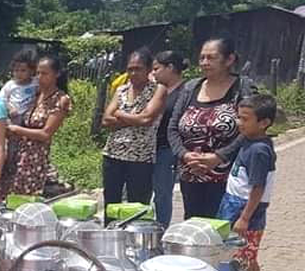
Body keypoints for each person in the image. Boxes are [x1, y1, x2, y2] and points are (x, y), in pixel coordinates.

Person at [168, 37, 258, 220]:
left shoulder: (243, 88)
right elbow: (173, 127)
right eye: (202, 58)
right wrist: (184, 155)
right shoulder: (191, 88)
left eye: (211, 58)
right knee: (194, 226)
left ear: (229, 59)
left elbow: (251, 129)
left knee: (223, 227)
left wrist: (219, 157)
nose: (204, 62)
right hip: (191, 173)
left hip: (229, 176)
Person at [217, 94, 277, 271]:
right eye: (239, 117)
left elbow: (258, 187)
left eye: (245, 119)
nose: (239, 123)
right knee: (247, 256)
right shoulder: (249, 141)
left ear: (264, 123)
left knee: (243, 258)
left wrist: (244, 218)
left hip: (245, 210)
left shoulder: (258, 150)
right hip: (234, 204)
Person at [0, 56, 72, 199]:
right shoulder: (35, 93)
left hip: (34, 157)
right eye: (38, 73)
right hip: (16, 151)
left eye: (45, 73)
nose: (40, 77)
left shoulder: (60, 100)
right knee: (3, 194)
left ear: (57, 74)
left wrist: (17, 130)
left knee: (21, 197)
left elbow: (46, 134)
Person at [100, 48, 167, 217]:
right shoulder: (121, 90)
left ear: (148, 69)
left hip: (140, 158)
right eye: (130, 69)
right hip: (113, 154)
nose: (133, 73)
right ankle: (110, 232)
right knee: (111, 203)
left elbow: (146, 120)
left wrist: (119, 114)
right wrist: (135, 118)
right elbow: (106, 120)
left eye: (138, 69)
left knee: (137, 205)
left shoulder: (158, 90)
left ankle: (135, 234)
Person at [150, 51, 188, 227]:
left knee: (162, 193)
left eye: (156, 69)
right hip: (150, 146)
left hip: (168, 148)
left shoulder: (185, 92)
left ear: (170, 67)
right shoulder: (157, 90)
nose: (153, 73)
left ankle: (161, 229)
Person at [0, 51, 39, 126]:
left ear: (31, 71)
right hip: (14, 114)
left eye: (23, 70)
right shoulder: (10, 85)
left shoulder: (35, 82)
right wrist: (10, 108)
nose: (19, 74)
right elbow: (2, 99)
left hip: (30, 113)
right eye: (16, 70)